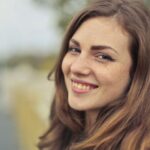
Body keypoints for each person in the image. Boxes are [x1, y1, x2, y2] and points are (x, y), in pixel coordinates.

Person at [38, 0, 150, 149]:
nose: (77, 67)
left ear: (138, 72)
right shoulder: (66, 132)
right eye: (74, 49)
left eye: (103, 57)